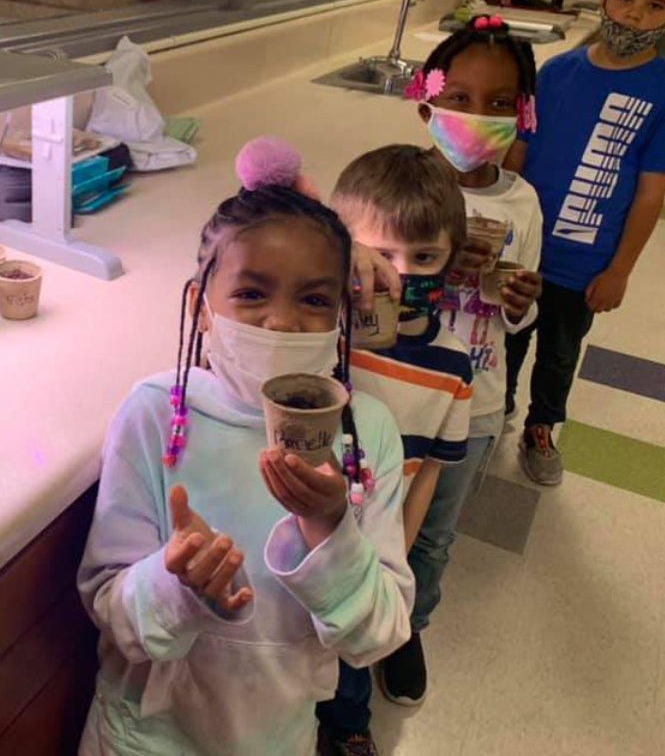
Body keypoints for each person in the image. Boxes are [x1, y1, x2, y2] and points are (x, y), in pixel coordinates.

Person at [76, 138, 413, 756]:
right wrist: (178, 586)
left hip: (276, 735)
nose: (281, 322)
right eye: (253, 294)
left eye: (315, 300)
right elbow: (109, 606)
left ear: (342, 314)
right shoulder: (155, 414)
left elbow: (379, 634)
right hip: (142, 736)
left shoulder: (367, 433)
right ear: (200, 307)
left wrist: (329, 528)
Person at [375, 18, 544, 707]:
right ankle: (357, 616)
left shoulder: (522, 201)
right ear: (428, 104)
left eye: (500, 102)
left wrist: (518, 300)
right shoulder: (397, 192)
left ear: (522, 113)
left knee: (434, 535)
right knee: (372, 516)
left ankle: (407, 628)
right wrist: (437, 268)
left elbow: (519, 315)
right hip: (390, 391)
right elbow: (364, 290)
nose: (479, 115)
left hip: (473, 402)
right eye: (461, 97)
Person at [503, 0, 665, 485]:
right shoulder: (557, 71)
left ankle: (541, 426)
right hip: (525, 247)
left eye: (655, 6)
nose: (635, 15)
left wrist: (619, 271)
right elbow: (519, 149)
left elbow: (650, 194)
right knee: (506, 336)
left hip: (584, 264)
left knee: (559, 354)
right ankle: (497, 405)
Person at [318, 144, 473, 755]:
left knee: (353, 657)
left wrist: (395, 560)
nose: (401, 275)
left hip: (375, 539)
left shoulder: (453, 366)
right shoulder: (322, 329)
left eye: (425, 257)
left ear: (453, 258)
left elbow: (430, 471)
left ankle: (349, 727)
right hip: (302, 522)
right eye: (380, 256)